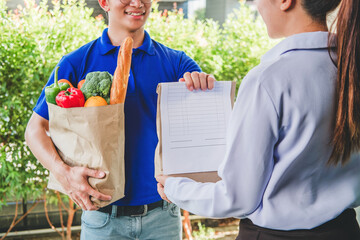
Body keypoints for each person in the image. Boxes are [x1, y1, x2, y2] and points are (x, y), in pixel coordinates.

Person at [157, 0, 360, 239]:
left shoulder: (268, 80)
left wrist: (173, 187)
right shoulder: (350, 68)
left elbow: (237, 199)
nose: (256, 5)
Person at [25, 0, 215, 239]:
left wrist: (203, 87)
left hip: (163, 218)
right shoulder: (76, 62)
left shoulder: (178, 64)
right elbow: (35, 129)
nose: (137, 3)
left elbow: (206, 129)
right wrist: (63, 172)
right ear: (104, 2)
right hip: (102, 218)